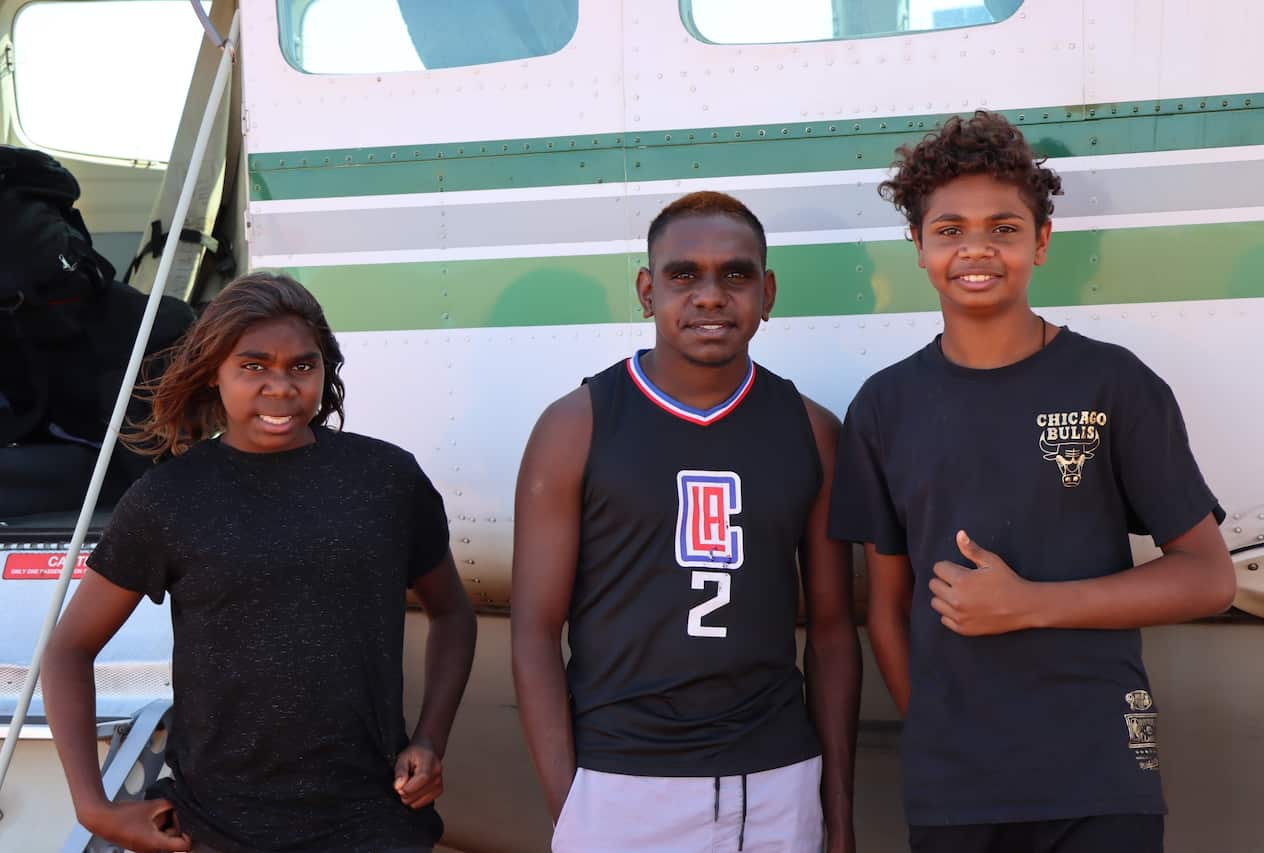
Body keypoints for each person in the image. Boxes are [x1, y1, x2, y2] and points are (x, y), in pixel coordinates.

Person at [829, 112, 1236, 853]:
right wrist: (941, 730)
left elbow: (1209, 578)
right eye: (949, 229)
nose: (976, 248)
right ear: (917, 246)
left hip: (1098, 776)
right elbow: (886, 610)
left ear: (1041, 242)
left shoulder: (1115, 383)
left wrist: (1027, 604)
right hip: (955, 790)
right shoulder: (884, 406)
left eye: (1004, 228)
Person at [42, 273, 477, 853]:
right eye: (253, 366)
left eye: (302, 366)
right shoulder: (169, 499)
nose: (281, 387)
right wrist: (93, 807)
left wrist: (430, 739)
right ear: (213, 373)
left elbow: (452, 614)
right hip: (216, 830)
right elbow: (68, 649)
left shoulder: (386, 481)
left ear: (325, 370)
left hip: (375, 821)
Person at [512, 191, 860, 853]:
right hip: (623, 782)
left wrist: (838, 817)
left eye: (736, 274)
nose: (710, 296)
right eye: (683, 275)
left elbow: (834, 632)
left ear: (767, 292)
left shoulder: (813, 431)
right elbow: (533, 632)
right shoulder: (575, 426)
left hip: (777, 783)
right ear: (648, 292)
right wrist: (572, 810)